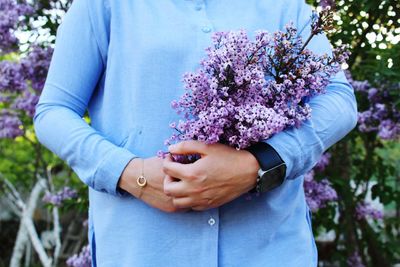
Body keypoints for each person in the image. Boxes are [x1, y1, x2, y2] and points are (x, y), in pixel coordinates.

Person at [33, 0, 358, 266]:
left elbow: (338, 101)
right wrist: (133, 175)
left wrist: (258, 165)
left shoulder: (284, 7)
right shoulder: (105, 6)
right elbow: (54, 112)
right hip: (143, 251)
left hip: (272, 251)